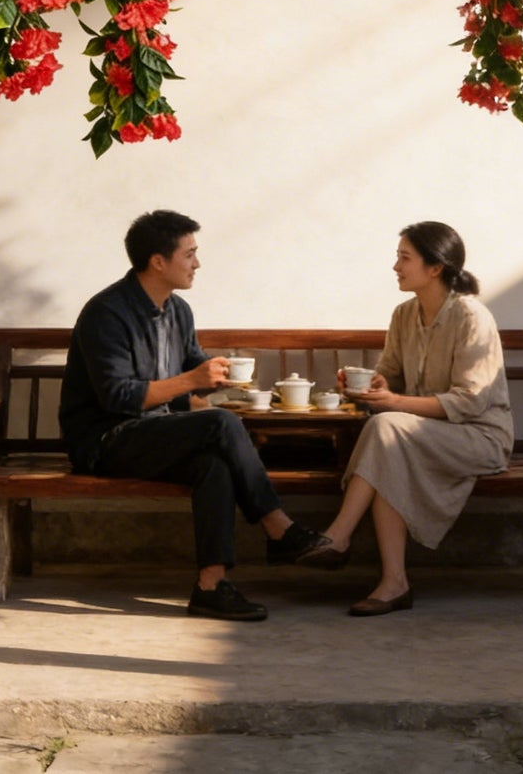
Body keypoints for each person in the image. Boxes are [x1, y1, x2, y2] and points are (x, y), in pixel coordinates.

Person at [58, 209, 334, 621]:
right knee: (223, 423)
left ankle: (211, 586)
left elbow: (192, 368)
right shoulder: (107, 313)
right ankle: (278, 527)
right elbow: (118, 396)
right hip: (105, 439)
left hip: (155, 432)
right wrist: (192, 380)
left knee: (213, 466)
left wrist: (220, 376)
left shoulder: (178, 311)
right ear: (158, 261)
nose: (197, 264)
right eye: (189, 254)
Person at [302, 221, 514, 616]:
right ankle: (393, 582)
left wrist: (393, 401)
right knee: (388, 444)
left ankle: (339, 536)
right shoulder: (404, 314)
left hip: (478, 438)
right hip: (418, 434)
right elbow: (391, 375)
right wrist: (370, 385)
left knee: (385, 429)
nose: (395, 266)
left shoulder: (471, 317)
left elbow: (468, 404)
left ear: (435, 268)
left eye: (404, 257)